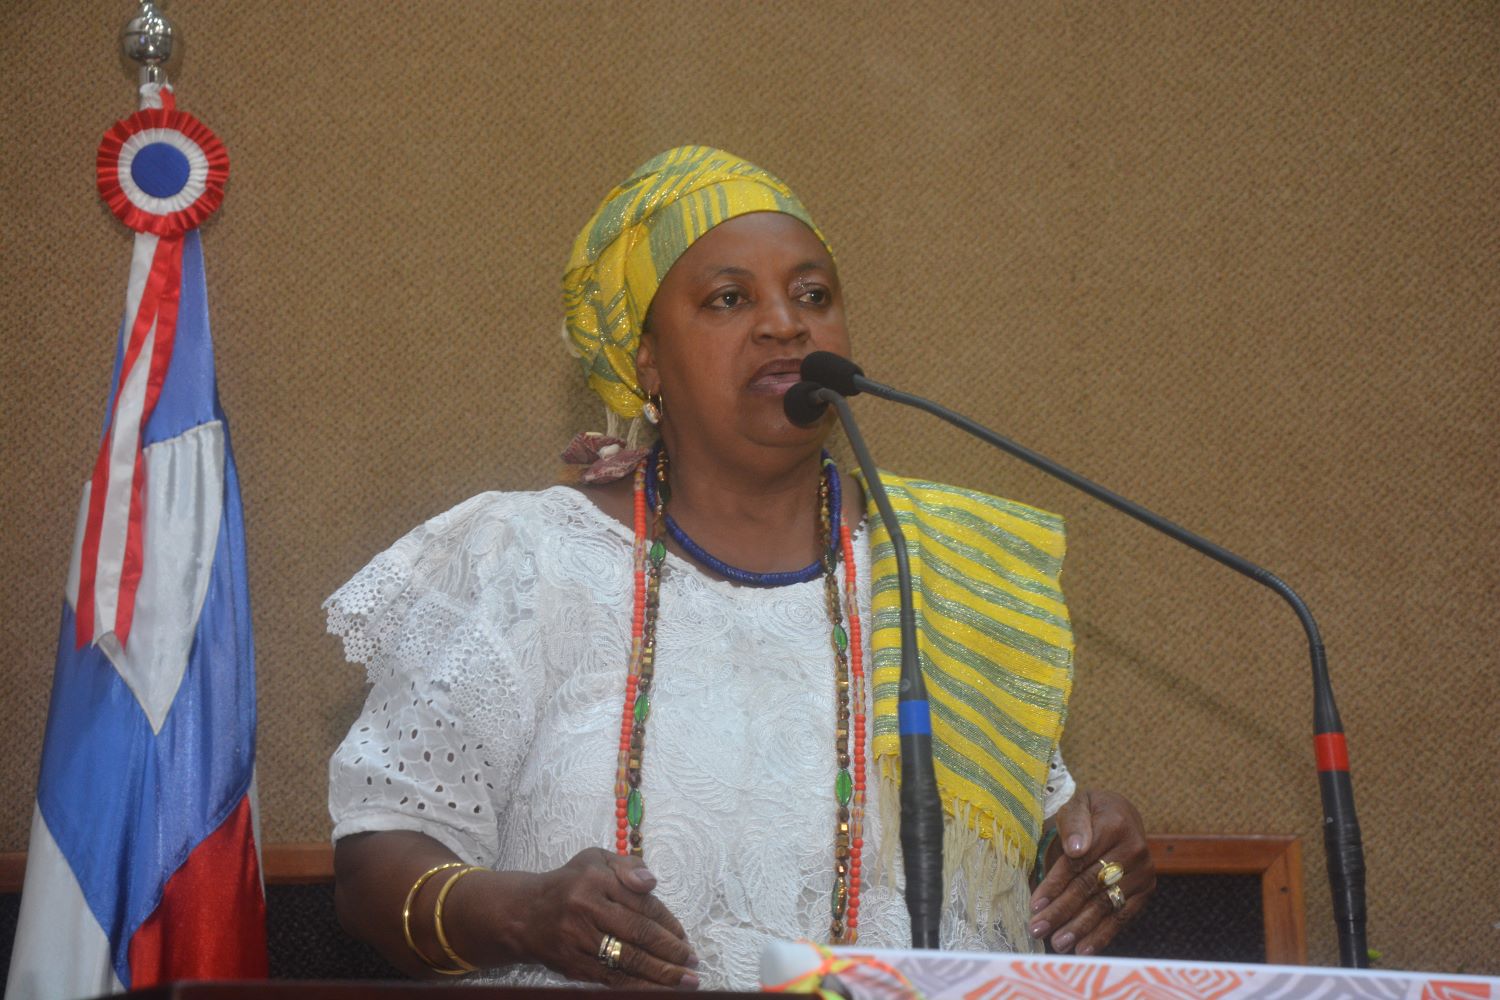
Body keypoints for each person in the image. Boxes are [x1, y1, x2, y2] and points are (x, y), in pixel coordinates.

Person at [325, 146, 1154, 991]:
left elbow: (1019, 852)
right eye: (729, 299)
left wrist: (1083, 857)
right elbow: (371, 868)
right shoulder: (528, 559)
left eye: (813, 296)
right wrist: (523, 914)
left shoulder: (939, 565)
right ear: (647, 360)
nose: (785, 325)